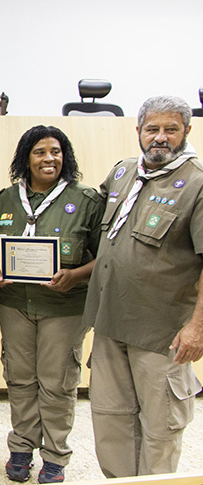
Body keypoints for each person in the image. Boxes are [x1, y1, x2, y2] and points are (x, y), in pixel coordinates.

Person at [84, 95, 203, 478]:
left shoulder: (198, 183)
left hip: (162, 333)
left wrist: (197, 327)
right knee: (111, 421)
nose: (160, 138)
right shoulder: (123, 172)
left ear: (187, 130)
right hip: (110, 324)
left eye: (171, 129)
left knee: (160, 428)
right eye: (152, 129)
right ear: (138, 131)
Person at [0, 126, 103, 484]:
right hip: (14, 304)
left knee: (57, 383)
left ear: (65, 157)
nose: (48, 158)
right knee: (19, 379)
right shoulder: (6, 199)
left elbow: (106, 256)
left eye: (55, 151)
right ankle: (21, 448)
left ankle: (55, 456)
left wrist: (77, 275)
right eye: (39, 152)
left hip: (64, 306)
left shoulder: (86, 199)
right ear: (26, 158)